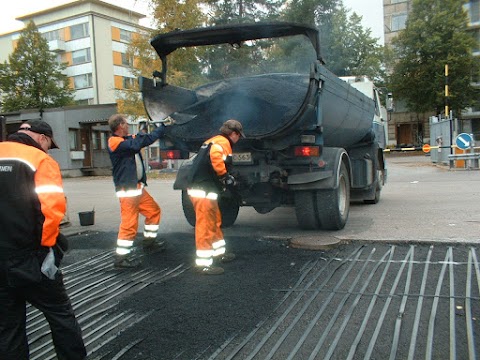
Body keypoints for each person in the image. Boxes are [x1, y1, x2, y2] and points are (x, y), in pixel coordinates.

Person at [0, 120, 87, 360]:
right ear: (42, 138)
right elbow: (52, 211)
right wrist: (48, 250)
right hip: (29, 258)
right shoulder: (40, 160)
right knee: (60, 315)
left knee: (8, 327)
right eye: (49, 144)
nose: (48, 149)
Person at [107, 114, 168, 268]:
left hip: (137, 187)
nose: (128, 126)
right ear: (120, 125)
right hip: (127, 189)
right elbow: (135, 145)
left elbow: (145, 140)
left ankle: (149, 242)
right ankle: (121, 258)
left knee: (154, 211)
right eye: (126, 124)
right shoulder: (114, 142)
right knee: (129, 223)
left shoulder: (128, 139)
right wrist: (142, 131)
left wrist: (161, 128)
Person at [188, 119, 245, 275]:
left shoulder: (211, 140)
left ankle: (219, 253)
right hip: (202, 189)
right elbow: (216, 157)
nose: (238, 139)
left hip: (206, 188)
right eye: (239, 136)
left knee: (214, 220)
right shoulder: (222, 142)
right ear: (233, 134)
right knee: (205, 224)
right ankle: (204, 264)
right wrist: (225, 176)